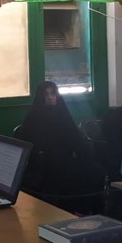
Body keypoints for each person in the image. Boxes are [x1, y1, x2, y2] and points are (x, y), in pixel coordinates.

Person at [15, 81, 103, 215]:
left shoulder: (62, 113)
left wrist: (83, 155)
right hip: (43, 163)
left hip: (65, 159)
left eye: (53, 93)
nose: (50, 97)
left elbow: (76, 138)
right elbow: (30, 142)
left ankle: (88, 212)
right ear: (41, 97)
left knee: (95, 171)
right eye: (46, 94)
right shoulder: (34, 116)